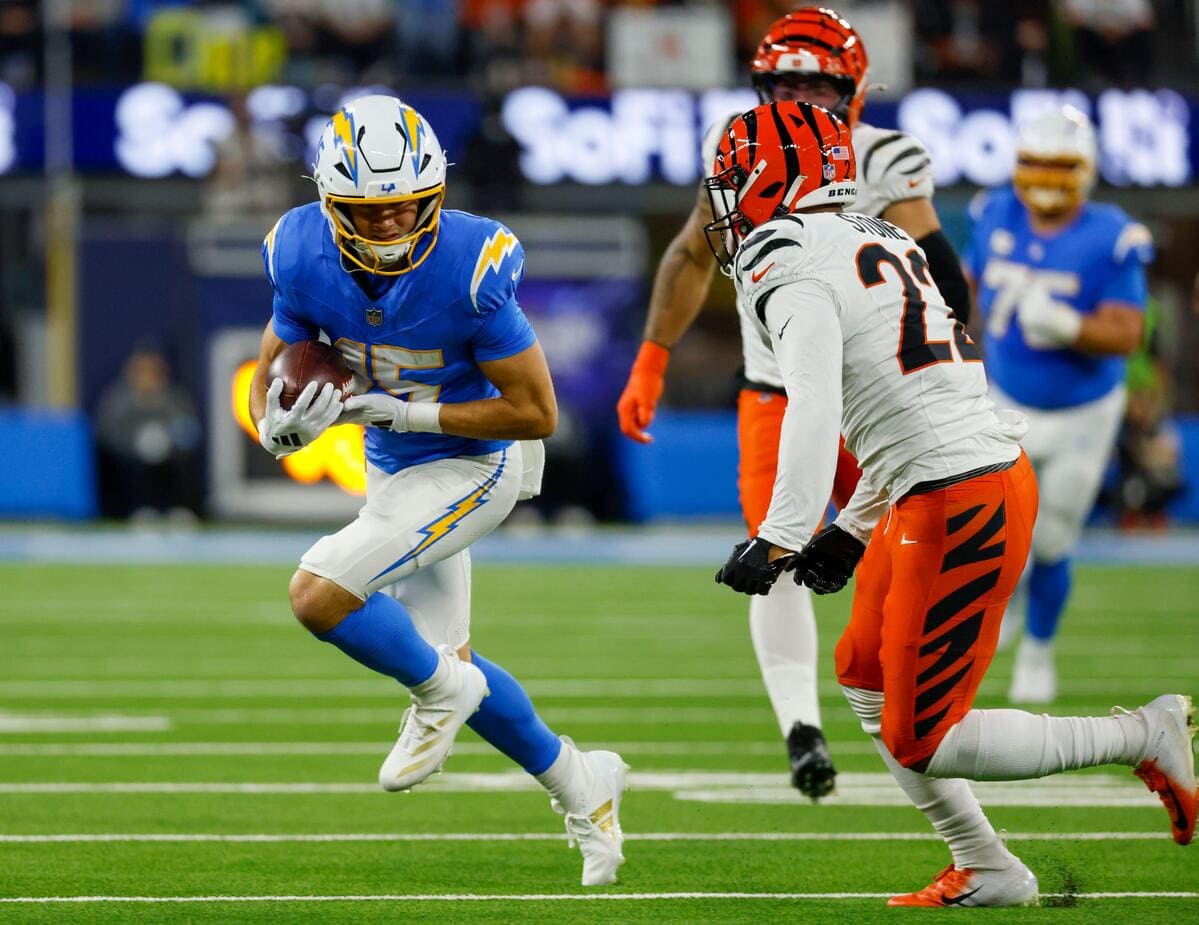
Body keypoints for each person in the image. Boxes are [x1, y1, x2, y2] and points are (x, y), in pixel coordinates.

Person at [711, 99, 1196, 906]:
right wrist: (851, 526)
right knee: (862, 674)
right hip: (949, 477)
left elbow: (814, 407)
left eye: (733, 179)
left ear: (771, 177)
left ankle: (1141, 732)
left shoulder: (780, 255)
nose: (724, 200)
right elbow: (922, 395)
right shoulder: (886, 236)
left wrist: (780, 534)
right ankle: (987, 864)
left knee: (921, 734)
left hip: (959, 497)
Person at [249, 94, 628, 887]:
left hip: (475, 460)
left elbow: (537, 412)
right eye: (367, 209)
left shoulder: (471, 262)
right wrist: (272, 425)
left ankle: (438, 690)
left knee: (319, 595)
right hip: (394, 462)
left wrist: (408, 409)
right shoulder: (298, 251)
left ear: (434, 195)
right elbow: (272, 370)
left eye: (405, 207)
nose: (388, 225)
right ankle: (580, 784)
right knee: (449, 657)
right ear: (329, 202)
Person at [616, 7, 973, 800]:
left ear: (853, 90)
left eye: (819, 85)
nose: (803, 99)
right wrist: (650, 358)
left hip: (867, 389)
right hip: (774, 386)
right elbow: (689, 249)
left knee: (901, 547)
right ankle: (801, 728)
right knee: (773, 557)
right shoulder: (742, 144)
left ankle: (916, 694)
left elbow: (945, 281)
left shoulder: (885, 160)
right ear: (759, 87)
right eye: (786, 85)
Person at [962, 104, 1152, 703]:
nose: (1045, 178)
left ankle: (1039, 652)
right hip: (1004, 395)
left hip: (1082, 411)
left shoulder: (1110, 235)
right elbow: (967, 286)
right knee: (991, 530)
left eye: (1058, 165)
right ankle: (1007, 608)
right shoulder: (993, 211)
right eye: (1035, 163)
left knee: (1053, 537)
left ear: (1086, 169)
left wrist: (1070, 327)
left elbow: (1128, 333)